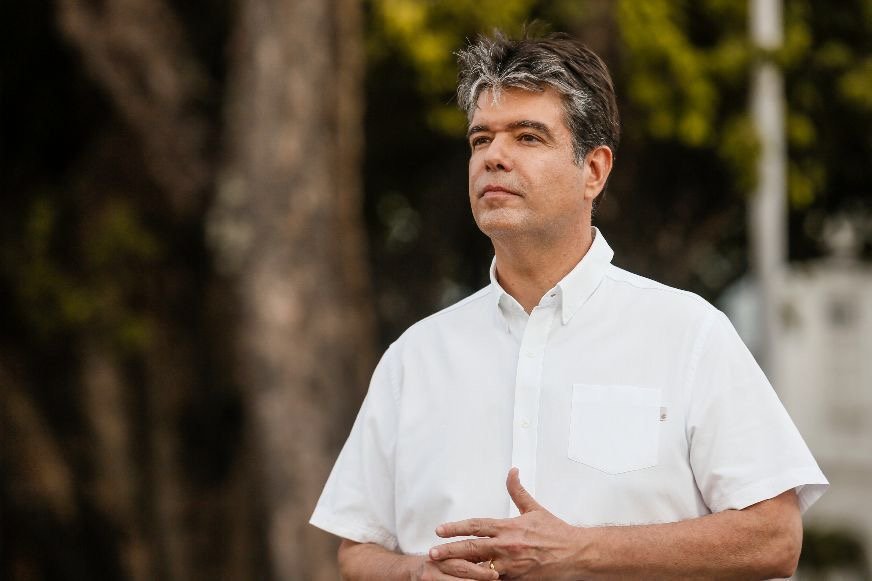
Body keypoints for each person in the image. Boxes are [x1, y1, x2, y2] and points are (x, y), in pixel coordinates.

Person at [310, 30, 828, 580]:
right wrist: (417, 574)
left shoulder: (688, 333)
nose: (494, 157)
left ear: (594, 171)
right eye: (480, 139)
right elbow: (357, 549)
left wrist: (579, 551)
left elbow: (776, 537)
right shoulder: (414, 357)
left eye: (527, 137)